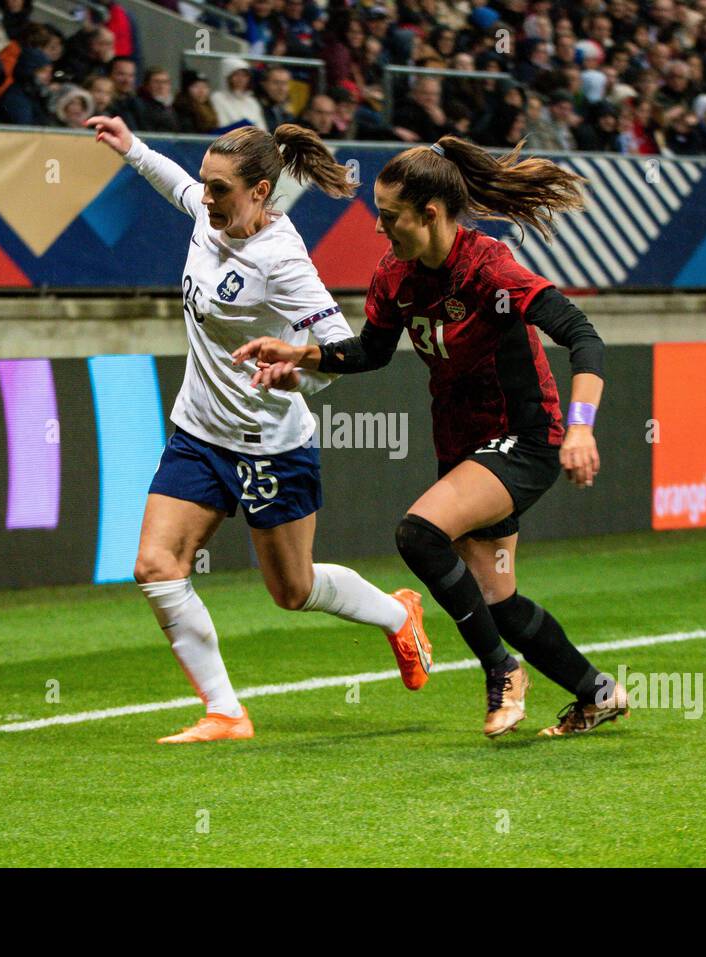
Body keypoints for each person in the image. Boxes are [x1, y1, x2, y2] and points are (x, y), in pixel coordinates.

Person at [233, 137, 630, 739]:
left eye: (389, 216)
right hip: (464, 446)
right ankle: (599, 692)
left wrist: (581, 426)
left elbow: (583, 337)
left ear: (431, 214)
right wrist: (303, 353)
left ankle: (501, 672)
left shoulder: (488, 267)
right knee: (500, 602)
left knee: (418, 534)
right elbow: (369, 351)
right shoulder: (395, 276)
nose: (379, 226)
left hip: (527, 437)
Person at [85, 114, 432, 744]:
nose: (205, 195)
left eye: (219, 188)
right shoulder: (209, 212)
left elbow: (339, 354)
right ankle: (225, 712)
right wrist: (131, 147)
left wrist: (294, 374)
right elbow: (176, 187)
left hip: (270, 446)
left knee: (292, 591)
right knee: (156, 565)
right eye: (206, 183)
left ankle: (397, 615)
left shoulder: (284, 260)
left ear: (260, 192)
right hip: (197, 430)